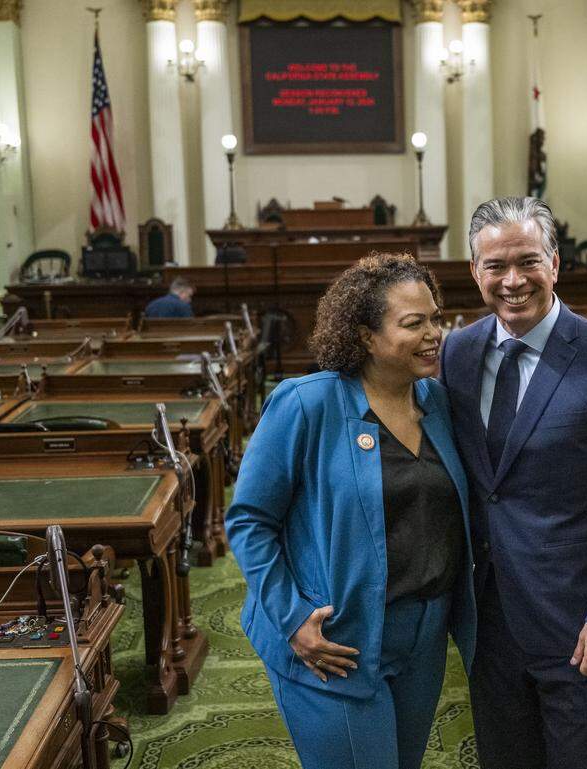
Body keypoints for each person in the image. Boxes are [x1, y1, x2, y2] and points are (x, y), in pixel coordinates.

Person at [226, 253, 476, 769]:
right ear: (365, 337)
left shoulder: (439, 403)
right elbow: (249, 521)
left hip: (423, 637)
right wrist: (293, 620)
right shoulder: (305, 403)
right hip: (332, 640)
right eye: (414, 323)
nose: (435, 334)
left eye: (435, 317)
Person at [440, 197, 587, 769]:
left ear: (555, 264)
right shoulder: (456, 355)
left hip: (580, 625)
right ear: (475, 272)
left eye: (528, 262)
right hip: (490, 621)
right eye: (495, 266)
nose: (512, 281)